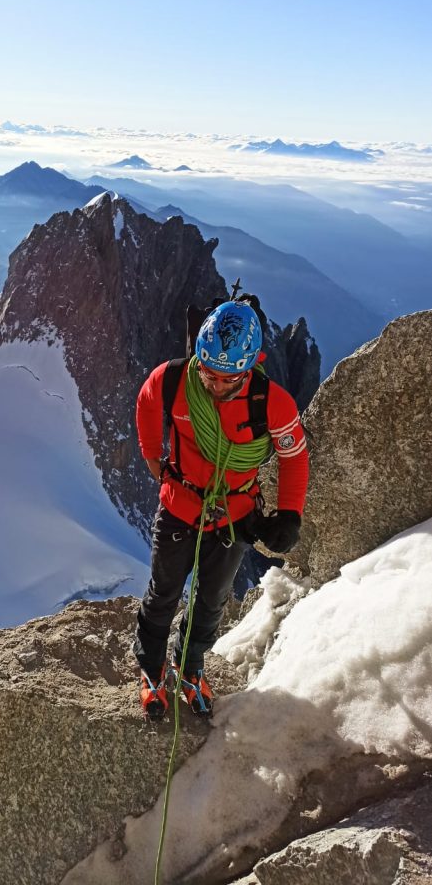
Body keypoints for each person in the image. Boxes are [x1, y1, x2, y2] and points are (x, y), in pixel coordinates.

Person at [134, 299, 309, 719]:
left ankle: (189, 667)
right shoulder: (177, 378)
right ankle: (152, 669)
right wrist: (152, 457)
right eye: (207, 373)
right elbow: (146, 399)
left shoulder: (272, 403)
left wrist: (289, 513)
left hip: (235, 514)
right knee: (164, 593)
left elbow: (294, 456)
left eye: (224, 378)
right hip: (180, 504)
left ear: (250, 367)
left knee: (211, 601)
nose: (211, 384)